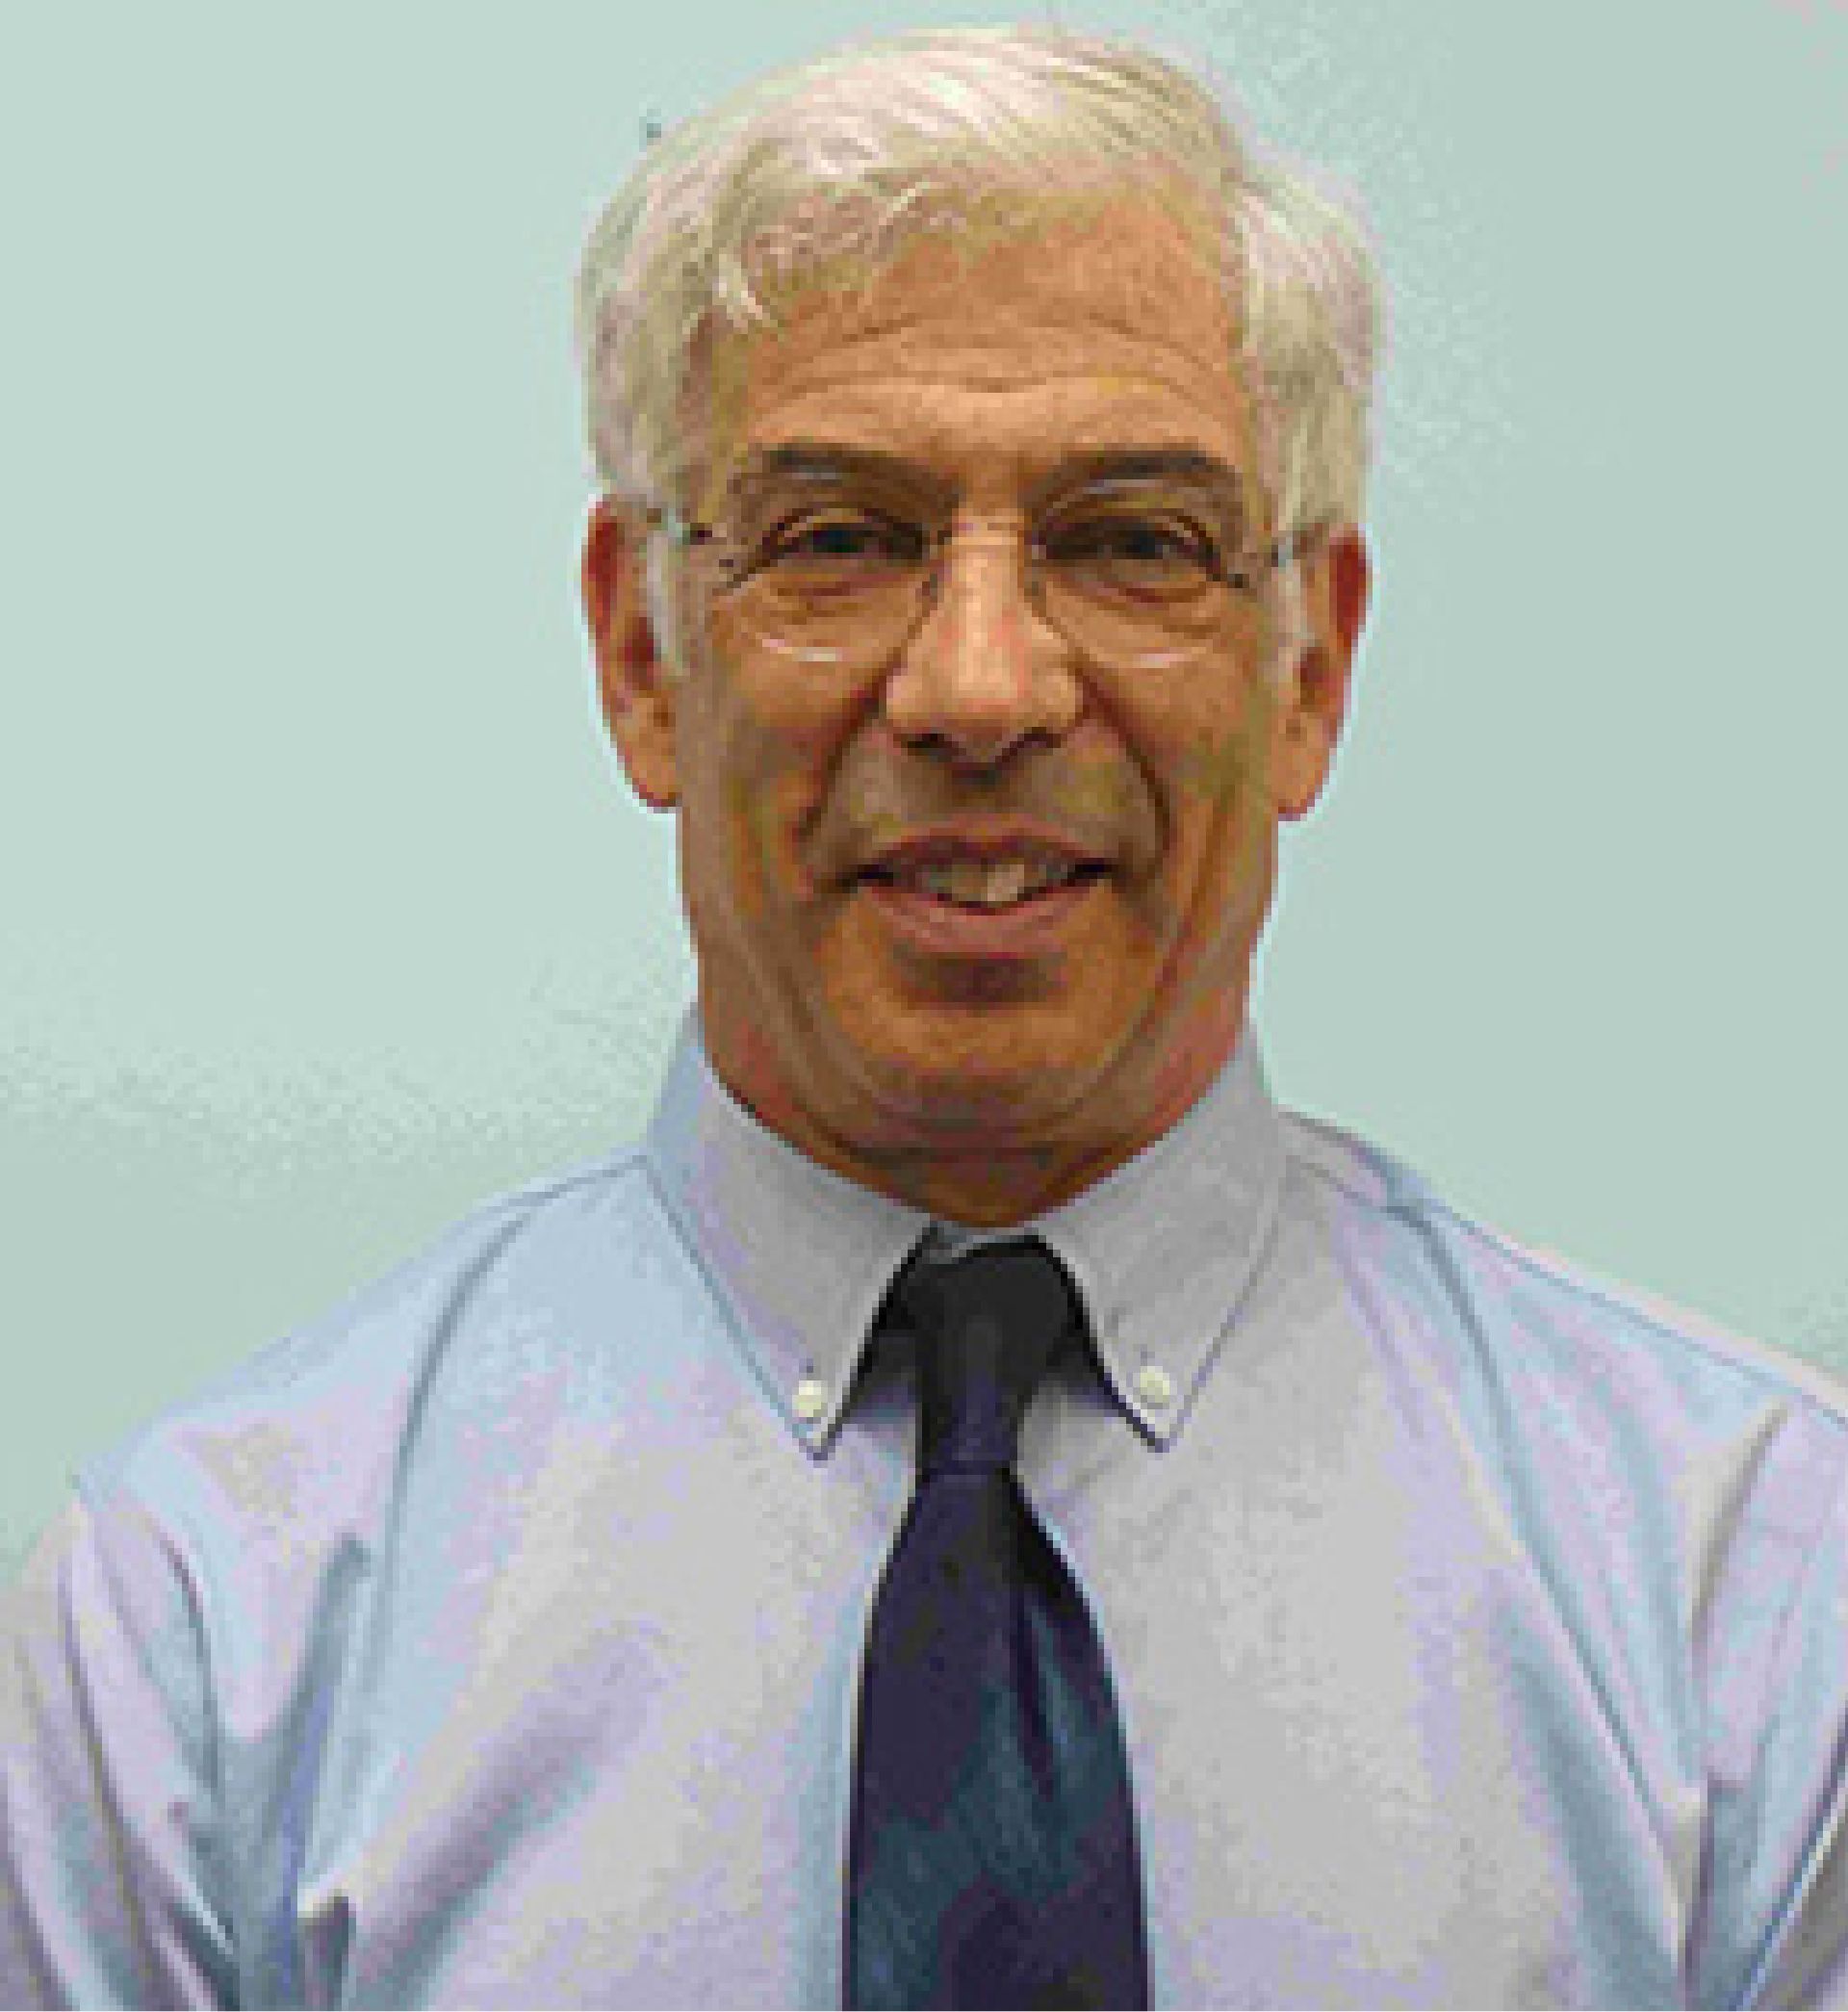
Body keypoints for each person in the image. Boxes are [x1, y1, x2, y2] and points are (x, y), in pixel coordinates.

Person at [4, 21, 1845, 2009]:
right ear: (641, 653)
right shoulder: (203, 1644)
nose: (980, 687)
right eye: (840, 538)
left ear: (1310, 670)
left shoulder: (1756, 1604)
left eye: (1131, 541)